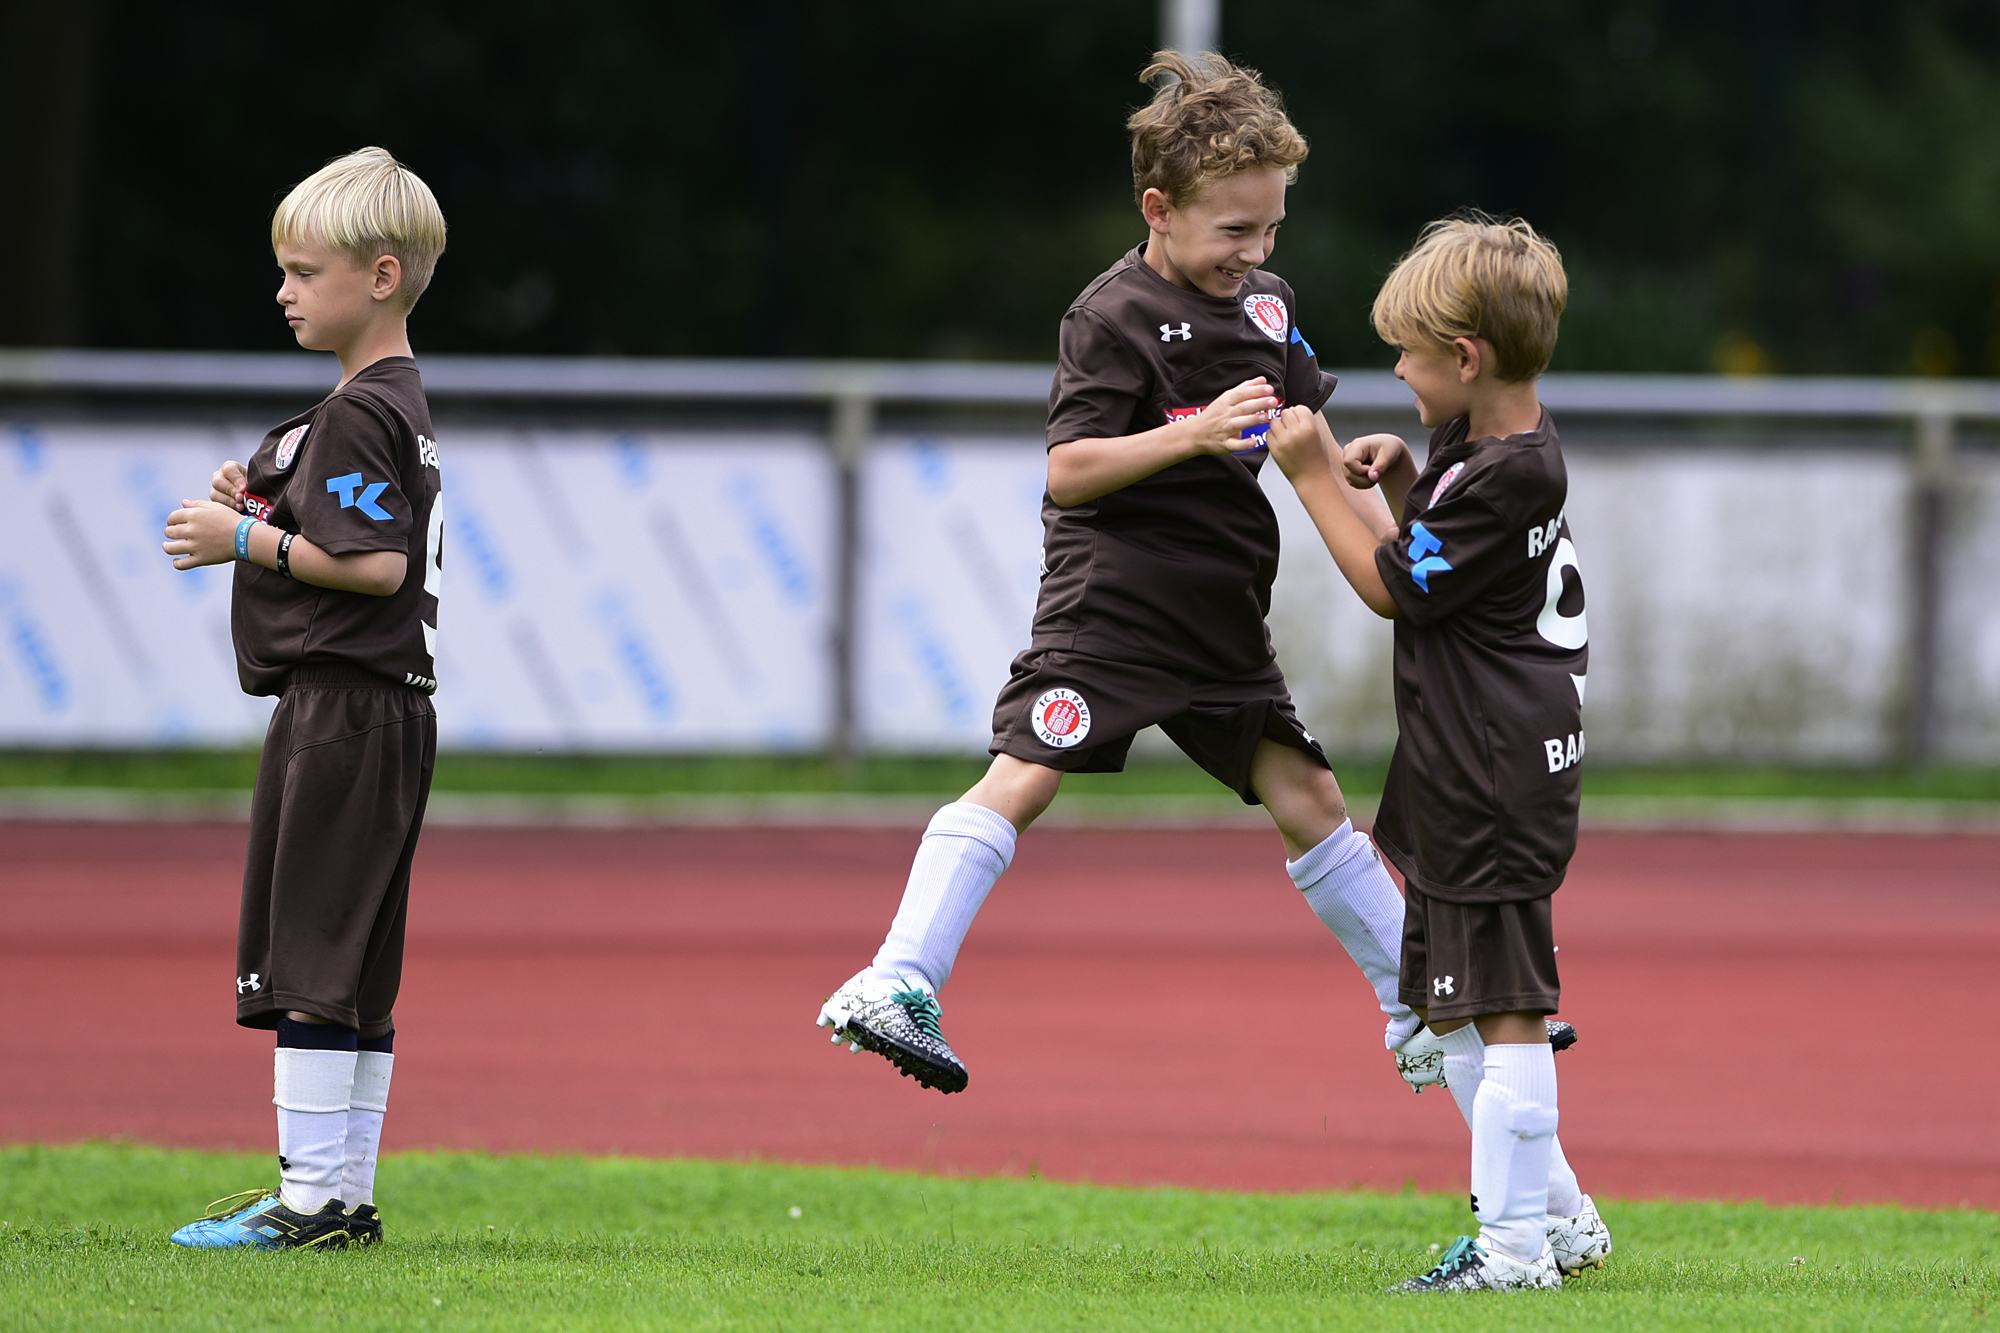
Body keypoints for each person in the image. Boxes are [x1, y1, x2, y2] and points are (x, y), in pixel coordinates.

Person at [816, 50, 1434, 1102]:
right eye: (1233, 230)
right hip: (1115, 605)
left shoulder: (1269, 308)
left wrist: (1373, 503)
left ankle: (1415, 1001)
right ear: (1158, 207)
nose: (1255, 250)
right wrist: (1191, 435)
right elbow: (1071, 466)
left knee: (1310, 794)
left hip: (1218, 616)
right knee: (1028, 769)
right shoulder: (1108, 316)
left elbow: (1303, 437)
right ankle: (895, 979)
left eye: (1270, 227)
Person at [1263, 215, 1612, 1291]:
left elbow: (1394, 588)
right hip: (1473, 764)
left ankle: (1511, 1254)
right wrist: (1408, 479)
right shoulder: (1497, 448)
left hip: (1489, 776)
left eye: (1406, 354)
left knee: (1505, 1005)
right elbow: (1451, 561)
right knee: (1456, 997)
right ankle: (1560, 1220)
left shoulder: (1505, 474)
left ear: (1464, 359)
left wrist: (1309, 470)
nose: (1396, 370)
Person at [159, 147, 447, 1250]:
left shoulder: (369, 407)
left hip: (346, 708)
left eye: (302, 271)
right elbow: (340, 507)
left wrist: (246, 537)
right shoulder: (376, 404)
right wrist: (264, 491)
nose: (283, 291)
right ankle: (340, 1195)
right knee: (352, 958)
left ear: (379, 277)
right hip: (378, 711)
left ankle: (312, 1201)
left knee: (315, 954)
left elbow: (370, 563)